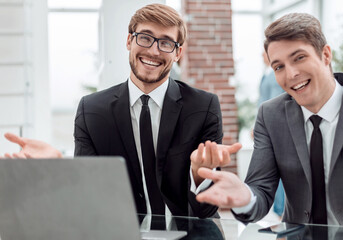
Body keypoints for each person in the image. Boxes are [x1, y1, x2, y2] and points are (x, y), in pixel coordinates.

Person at [2, 4, 241, 219]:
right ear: (129, 41)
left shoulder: (203, 107)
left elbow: (205, 210)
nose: (154, 51)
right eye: (145, 38)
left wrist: (200, 174)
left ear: (178, 53)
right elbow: (87, 198)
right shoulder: (91, 110)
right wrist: (58, 167)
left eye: (166, 42)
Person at [196, 12, 343, 225]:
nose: (291, 74)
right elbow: (260, 190)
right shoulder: (271, 115)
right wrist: (244, 197)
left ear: (325, 55)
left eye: (299, 58)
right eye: (279, 67)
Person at [258, 51, 285, 218]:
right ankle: (278, 210)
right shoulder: (266, 75)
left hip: (277, 126)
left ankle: (282, 210)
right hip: (266, 126)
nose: (262, 56)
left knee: (282, 168)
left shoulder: (276, 76)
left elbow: (277, 100)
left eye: (264, 54)